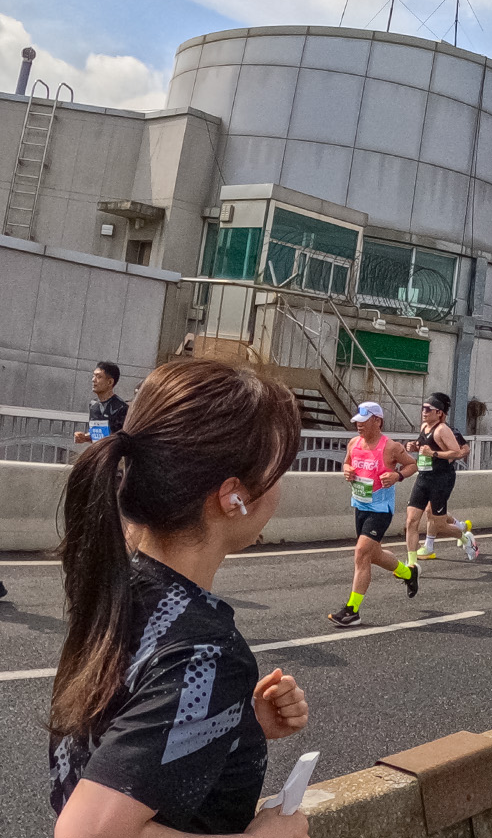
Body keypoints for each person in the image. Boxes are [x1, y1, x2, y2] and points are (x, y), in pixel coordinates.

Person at [49, 358, 310, 838]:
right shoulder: (204, 652)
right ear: (234, 497)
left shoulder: (113, 586)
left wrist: (228, 724)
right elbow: (85, 833)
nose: (281, 489)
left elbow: (112, 737)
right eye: (280, 470)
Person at [331, 401, 420, 626]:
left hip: (380, 510)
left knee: (361, 553)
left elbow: (412, 465)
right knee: (374, 555)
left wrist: (397, 476)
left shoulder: (390, 447)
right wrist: (347, 471)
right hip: (360, 505)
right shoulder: (354, 443)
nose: (359, 426)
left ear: (377, 421)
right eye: (357, 422)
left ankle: (352, 610)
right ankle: (409, 573)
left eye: (363, 421)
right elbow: (347, 464)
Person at [407, 392, 479, 562]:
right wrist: (414, 446)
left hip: (441, 479)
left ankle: (463, 536)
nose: (423, 412)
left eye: (428, 409)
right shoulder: (424, 427)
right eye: (422, 408)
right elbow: (423, 445)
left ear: (439, 412)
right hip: (423, 478)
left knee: (438, 523)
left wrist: (434, 453)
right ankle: (411, 564)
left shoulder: (443, 430)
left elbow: (458, 451)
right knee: (411, 521)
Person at [71, 363, 128, 449]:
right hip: (97, 454)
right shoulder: (93, 405)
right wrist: (84, 437)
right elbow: (97, 433)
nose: (93, 380)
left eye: (99, 377)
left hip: (114, 457)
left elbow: (124, 440)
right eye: (93, 376)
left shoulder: (121, 407)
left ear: (110, 382)